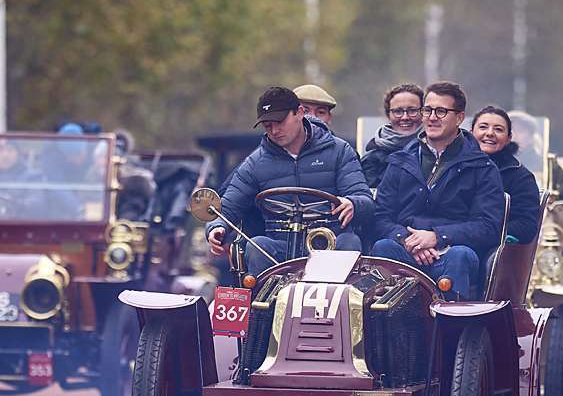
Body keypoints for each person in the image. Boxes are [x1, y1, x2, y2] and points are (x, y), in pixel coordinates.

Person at [206, 86, 373, 272]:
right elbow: (228, 206)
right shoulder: (255, 162)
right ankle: (264, 300)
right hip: (279, 249)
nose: (275, 130)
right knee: (256, 245)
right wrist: (216, 227)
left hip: (328, 243)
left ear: (299, 113)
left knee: (349, 241)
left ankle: (343, 299)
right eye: (268, 125)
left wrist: (353, 203)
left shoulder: (339, 150)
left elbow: (364, 199)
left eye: (280, 122)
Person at [371, 81, 504, 299]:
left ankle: (449, 331)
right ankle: (386, 330)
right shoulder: (400, 161)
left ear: (459, 118)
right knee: (383, 247)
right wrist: (406, 239)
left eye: (441, 111)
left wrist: (437, 237)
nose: (432, 117)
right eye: (428, 110)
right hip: (406, 248)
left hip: (453, 251)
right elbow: (380, 216)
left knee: (460, 256)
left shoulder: (482, 167)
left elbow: (488, 226)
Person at [471, 106, 541, 244]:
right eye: (483, 127)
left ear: (509, 138)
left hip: (488, 249)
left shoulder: (521, 177)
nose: (490, 133)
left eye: (498, 129)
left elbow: (526, 225)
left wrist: (482, 233)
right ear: (471, 132)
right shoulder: (454, 166)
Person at [361, 82, 424, 188]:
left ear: (424, 112)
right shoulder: (371, 160)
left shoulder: (435, 153)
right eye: (398, 111)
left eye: (412, 110)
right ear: (388, 115)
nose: (405, 117)